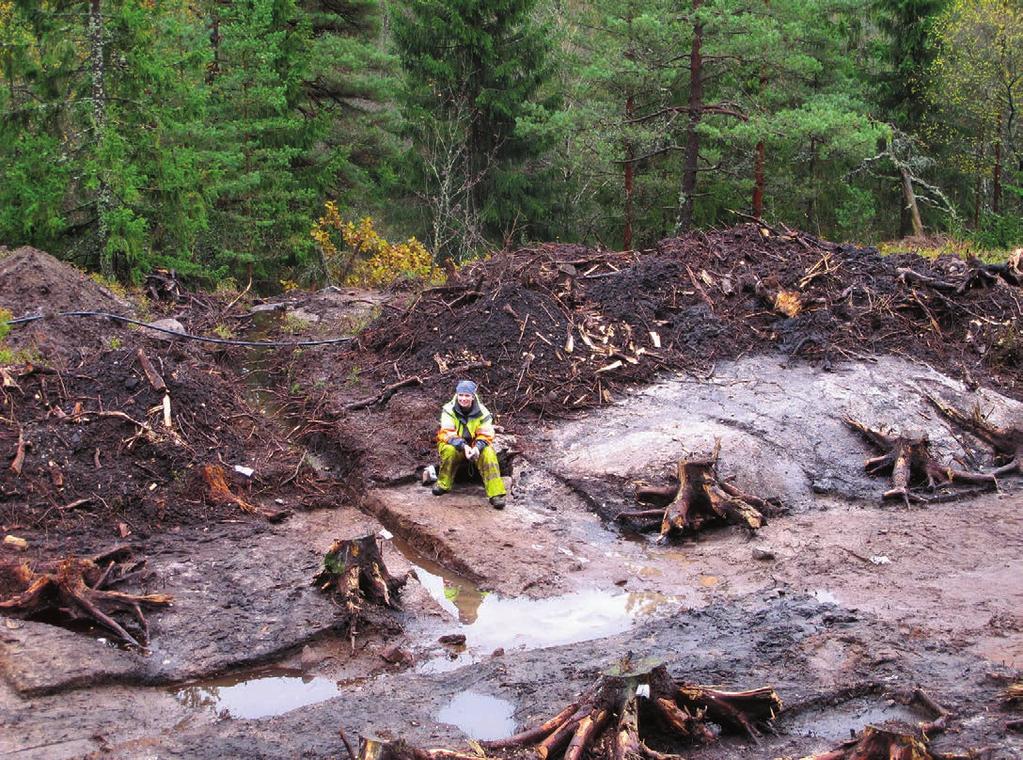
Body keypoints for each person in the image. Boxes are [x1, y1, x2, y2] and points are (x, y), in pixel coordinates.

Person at [432, 380, 507, 509]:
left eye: (467, 395)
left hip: (475, 446)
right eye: (461, 395)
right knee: (449, 450)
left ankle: (496, 494)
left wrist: (477, 448)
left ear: (473, 396)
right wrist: (464, 446)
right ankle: (443, 483)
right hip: (456, 445)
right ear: (457, 395)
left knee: (489, 452)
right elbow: (447, 433)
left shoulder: (483, 413)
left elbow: (486, 434)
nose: (463, 398)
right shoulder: (448, 409)